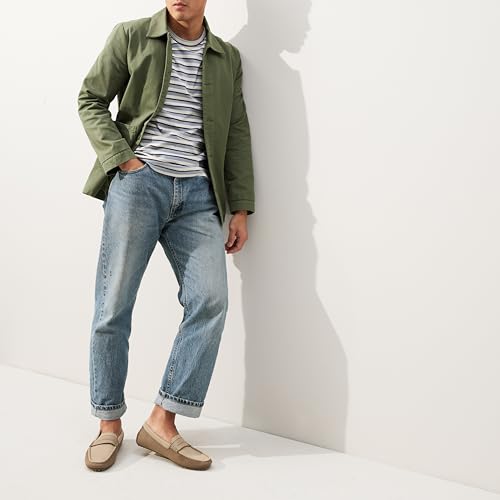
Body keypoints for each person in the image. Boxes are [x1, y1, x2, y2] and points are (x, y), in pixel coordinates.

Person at [78, 0, 255, 472]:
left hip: (199, 194)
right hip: (139, 184)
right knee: (113, 305)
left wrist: (240, 206)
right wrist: (124, 159)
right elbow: (90, 98)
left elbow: (236, 131)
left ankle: (162, 421)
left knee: (210, 300)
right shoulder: (132, 35)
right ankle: (109, 423)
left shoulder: (226, 58)